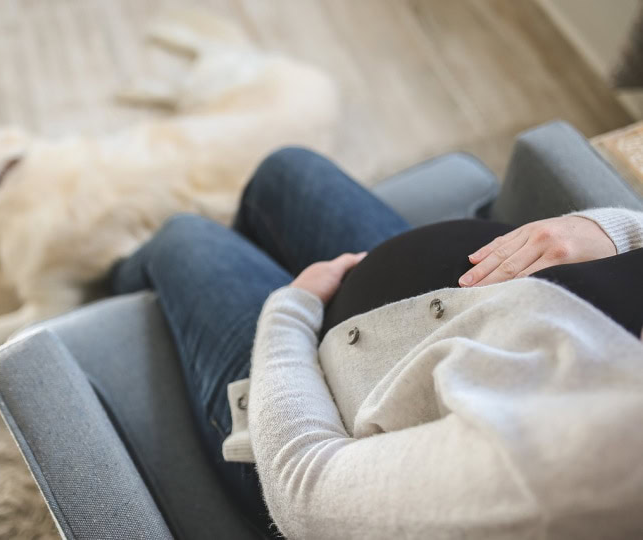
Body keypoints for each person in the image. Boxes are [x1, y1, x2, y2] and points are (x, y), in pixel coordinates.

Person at [107, 147, 643, 539]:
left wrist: (288, 310)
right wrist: (613, 231)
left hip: (307, 417)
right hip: (418, 301)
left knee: (184, 237)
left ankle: (110, 295)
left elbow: (305, 492)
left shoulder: (587, 473)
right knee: (286, 170)